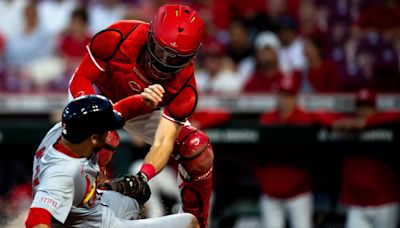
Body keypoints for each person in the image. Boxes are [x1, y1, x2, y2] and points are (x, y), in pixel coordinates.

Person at [68, 4, 214, 228]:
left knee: (197, 148)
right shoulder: (117, 36)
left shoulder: (186, 89)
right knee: (104, 137)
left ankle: (198, 222)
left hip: (143, 108)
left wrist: (142, 177)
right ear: (150, 35)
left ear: (192, 56)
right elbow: (81, 78)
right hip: (98, 96)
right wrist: (99, 116)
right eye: (160, 50)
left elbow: (164, 142)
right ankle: (81, 206)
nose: (164, 61)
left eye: (175, 58)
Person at [25, 94, 197, 228]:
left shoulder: (64, 132)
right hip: (94, 224)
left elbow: (119, 112)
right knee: (189, 222)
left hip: (89, 207)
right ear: (93, 138)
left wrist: (144, 100)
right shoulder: (63, 173)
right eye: (106, 130)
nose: (110, 132)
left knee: (134, 200)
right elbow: (36, 219)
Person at [331, 88, 400, 228]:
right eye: (361, 107)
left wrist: (369, 123)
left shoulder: (386, 125)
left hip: (384, 203)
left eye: (368, 107)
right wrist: (341, 122)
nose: (363, 111)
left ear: (375, 109)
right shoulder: (347, 126)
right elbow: (318, 114)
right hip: (357, 204)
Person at [256, 76, 314, 228]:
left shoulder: (305, 120)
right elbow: (257, 156)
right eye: (282, 95)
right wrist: (265, 183)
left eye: (289, 96)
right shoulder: (266, 120)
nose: (285, 100)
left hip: (298, 194)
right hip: (271, 193)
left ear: (295, 98)